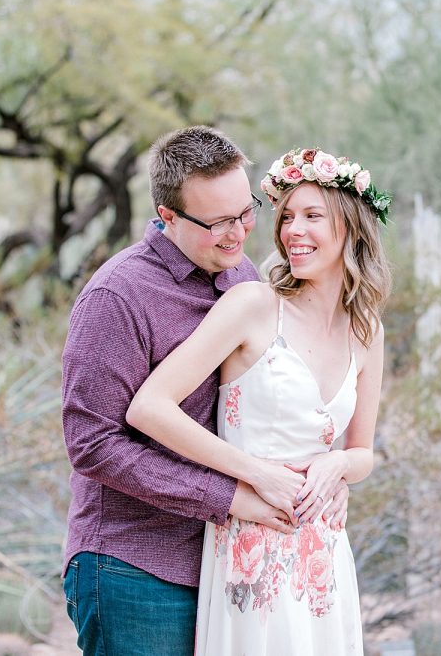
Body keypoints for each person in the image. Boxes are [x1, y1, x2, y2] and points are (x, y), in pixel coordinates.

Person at [61, 127, 350, 655]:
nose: (237, 234)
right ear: (166, 215)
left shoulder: (242, 280)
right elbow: (92, 444)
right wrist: (232, 497)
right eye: (216, 222)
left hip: (232, 565)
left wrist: (328, 475)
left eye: (246, 213)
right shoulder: (116, 296)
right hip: (135, 569)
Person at [126, 147, 393, 655]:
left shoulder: (368, 331)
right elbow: (149, 407)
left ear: (351, 226)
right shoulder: (252, 305)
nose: (293, 230)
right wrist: (255, 472)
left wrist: (337, 465)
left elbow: (363, 452)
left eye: (313, 216)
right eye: (287, 216)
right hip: (249, 546)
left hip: (324, 552)